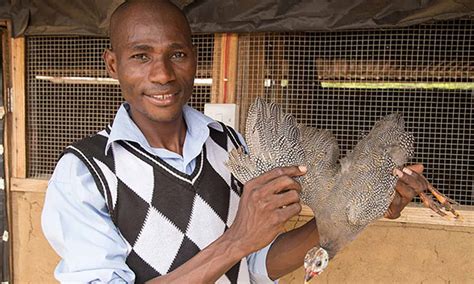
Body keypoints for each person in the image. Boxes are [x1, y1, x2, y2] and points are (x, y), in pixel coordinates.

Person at [41, 0, 429, 283]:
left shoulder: (230, 146)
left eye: (176, 54)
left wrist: (345, 215)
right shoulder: (86, 173)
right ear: (114, 65)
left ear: (194, 58)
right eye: (141, 56)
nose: (162, 74)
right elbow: (240, 246)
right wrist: (236, 240)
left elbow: (255, 265)